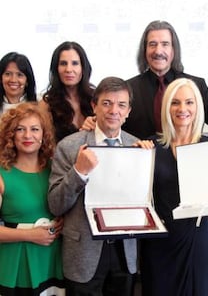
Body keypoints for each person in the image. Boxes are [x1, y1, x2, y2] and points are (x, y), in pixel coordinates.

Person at [47, 77, 139, 295]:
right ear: (94, 106)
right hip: (83, 254)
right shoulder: (69, 146)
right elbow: (55, 205)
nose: (113, 110)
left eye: (121, 105)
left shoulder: (138, 148)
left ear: (128, 111)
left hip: (124, 254)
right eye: (106, 103)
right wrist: (78, 172)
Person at [140, 78, 208, 296]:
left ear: (197, 107)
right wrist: (137, 158)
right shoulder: (150, 147)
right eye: (175, 102)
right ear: (167, 107)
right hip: (160, 242)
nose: (182, 109)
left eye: (189, 102)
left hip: (197, 239)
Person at [123, 20, 208, 139]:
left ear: (174, 49)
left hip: (189, 155)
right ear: (144, 50)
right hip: (143, 155)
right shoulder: (128, 89)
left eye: (165, 44)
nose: (158, 51)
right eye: (152, 44)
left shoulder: (195, 86)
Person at [0, 102, 64, 296]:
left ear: (44, 134)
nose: (28, 136)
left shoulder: (55, 169)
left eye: (34, 129)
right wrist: (31, 235)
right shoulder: (2, 175)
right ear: (11, 135)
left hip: (51, 260)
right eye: (20, 129)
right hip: (15, 265)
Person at [40, 41, 95, 142]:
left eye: (75, 63)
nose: (69, 69)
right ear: (56, 69)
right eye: (63, 63)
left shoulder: (96, 98)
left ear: (83, 68)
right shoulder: (46, 104)